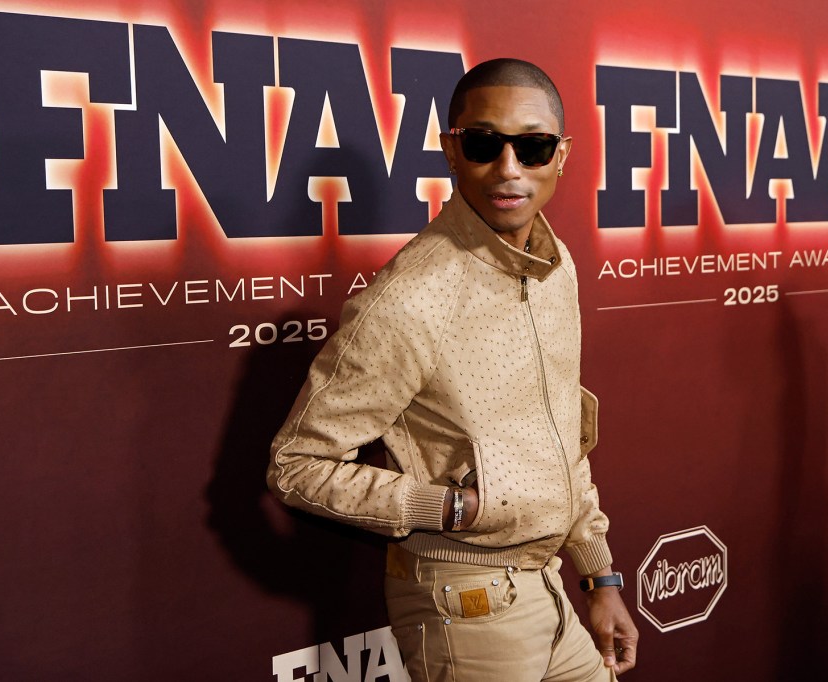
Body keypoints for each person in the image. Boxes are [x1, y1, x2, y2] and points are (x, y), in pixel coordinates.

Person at [268, 57, 638, 681]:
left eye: (533, 147)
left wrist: (598, 574)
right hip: (462, 605)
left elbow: (559, 436)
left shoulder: (555, 269)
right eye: (484, 144)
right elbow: (296, 466)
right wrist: (448, 509)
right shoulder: (409, 298)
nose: (509, 168)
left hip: (548, 588)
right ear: (451, 151)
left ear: (561, 155)